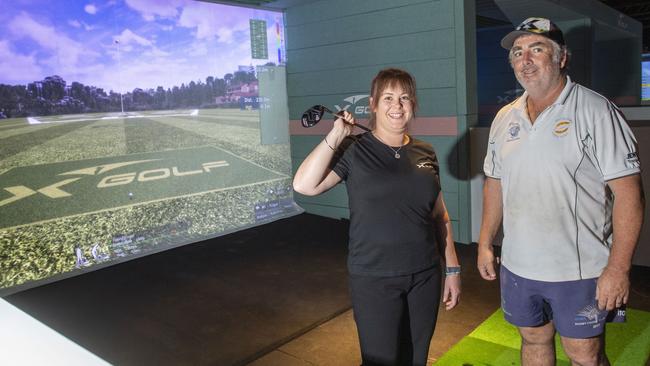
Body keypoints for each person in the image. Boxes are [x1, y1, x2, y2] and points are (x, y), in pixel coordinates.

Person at [478, 17, 645, 366]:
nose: (525, 59)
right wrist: (484, 242)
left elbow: (629, 195)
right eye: (518, 52)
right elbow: (495, 183)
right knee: (533, 339)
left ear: (562, 58)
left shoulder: (596, 111)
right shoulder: (505, 117)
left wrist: (618, 269)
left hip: (578, 270)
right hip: (519, 265)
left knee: (584, 353)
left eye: (537, 49)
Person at [293, 68, 461, 366]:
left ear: (413, 104)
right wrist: (335, 134)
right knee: (380, 360)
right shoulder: (354, 148)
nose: (397, 106)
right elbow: (305, 185)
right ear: (372, 104)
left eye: (404, 98)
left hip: (424, 274)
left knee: (416, 357)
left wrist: (453, 269)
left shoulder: (425, 151)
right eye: (388, 98)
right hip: (373, 277)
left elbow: (439, 215)